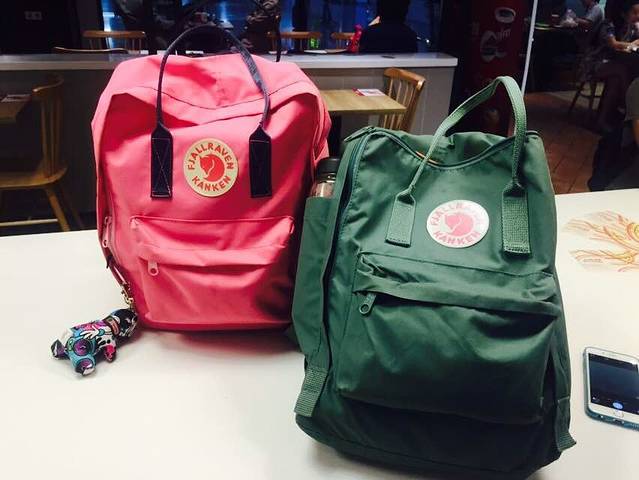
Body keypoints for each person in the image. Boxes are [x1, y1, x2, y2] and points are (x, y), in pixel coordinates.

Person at [579, 0, 639, 131]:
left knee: (615, 80)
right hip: (593, 63)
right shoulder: (608, 24)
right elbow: (614, 44)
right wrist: (632, 44)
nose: (638, 16)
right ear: (623, 14)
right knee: (622, 70)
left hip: (610, 65)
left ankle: (602, 120)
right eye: (634, 12)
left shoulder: (631, 27)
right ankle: (629, 105)